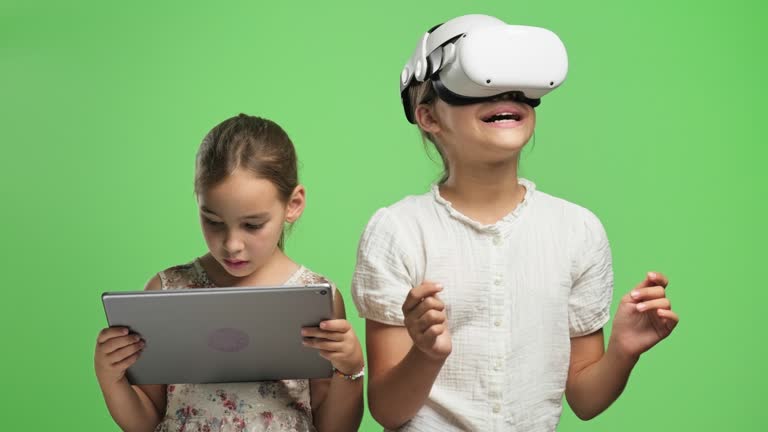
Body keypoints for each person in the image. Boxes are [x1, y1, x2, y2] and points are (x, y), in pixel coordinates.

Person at [352, 14, 679, 431]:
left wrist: (623, 351)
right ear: (429, 117)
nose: (508, 95)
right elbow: (387, 410)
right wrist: (427, 352)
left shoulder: (578, 230)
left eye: (520, 88)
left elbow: (585, 398)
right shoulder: (396, 231)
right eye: (481, 84)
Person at [95, 114, 364, 432]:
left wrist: (351, 369)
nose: (232, 244)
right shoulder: (168, 289)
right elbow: (147, 420)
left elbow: (332, 427)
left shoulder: (314, 295)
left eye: (252, 225)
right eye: (213, 220)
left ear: (293, 204)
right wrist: (110, 378)